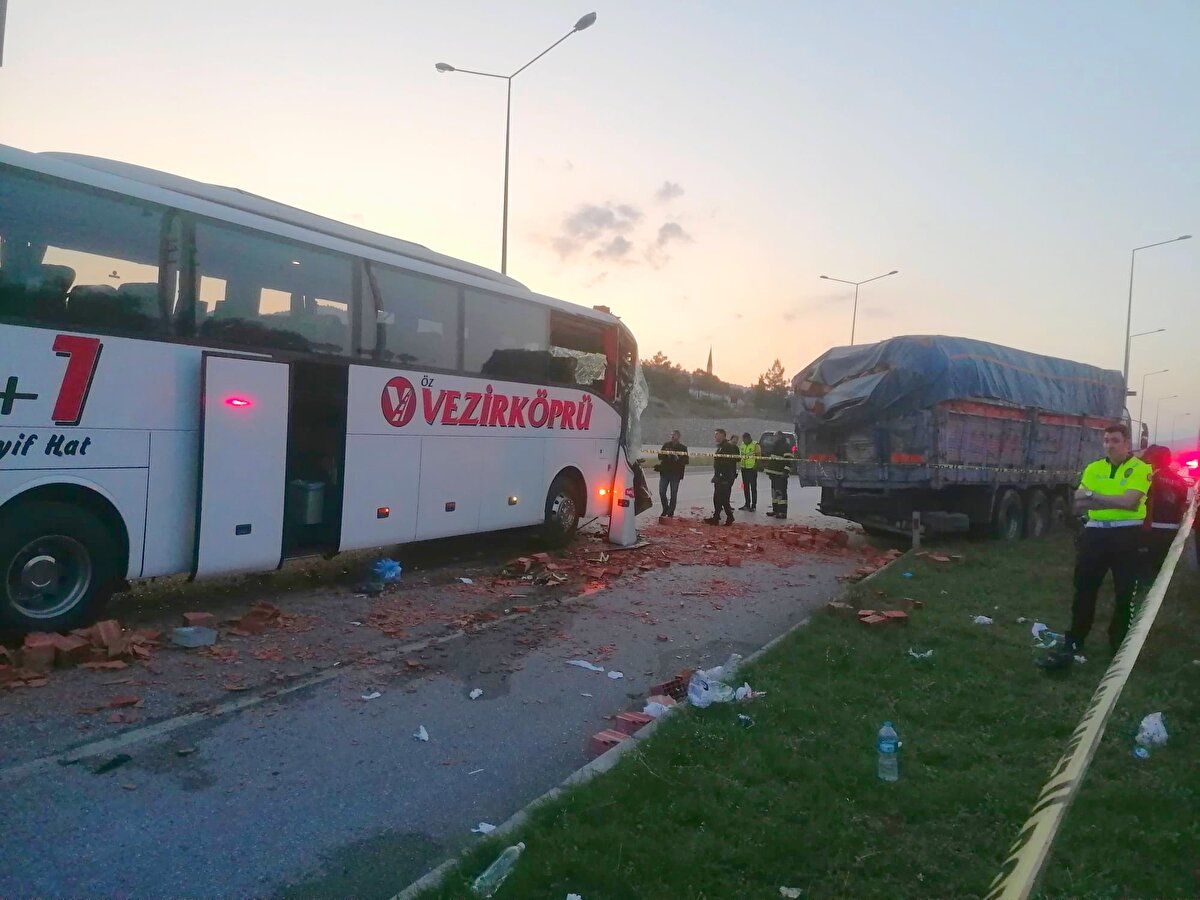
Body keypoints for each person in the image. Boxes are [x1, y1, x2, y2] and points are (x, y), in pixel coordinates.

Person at [1040, 423, 1152, 669]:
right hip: (1095, 534)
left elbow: (1130, 502)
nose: (1109, 445)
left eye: (1115, 440)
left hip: (1127, 536)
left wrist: (1094, 497)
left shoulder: (1140, 469)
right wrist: (1104, 500)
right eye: (1106, 441)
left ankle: (1119, 644)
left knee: (1125, 592)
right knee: (1084, 589)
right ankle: (1076, 639)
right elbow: (1078, 501)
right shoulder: (1093, 468)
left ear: (1126, 443)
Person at [1139, 445, 1191, 585]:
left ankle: (1144, 590)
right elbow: (1182, 506)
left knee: (1146, 562)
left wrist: (1145, 525)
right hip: (1172, 528)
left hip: (1152, 526)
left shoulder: (1150, 476)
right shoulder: (1181, 481)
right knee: (1163, 562)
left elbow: (1146, 501)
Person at [705, 428, 739, 525]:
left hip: (725, 477)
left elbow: (728, 464)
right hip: (720, 477)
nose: (715, 436)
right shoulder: (721, 447)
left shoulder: (727, 447)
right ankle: (716, 517)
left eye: (717, 434)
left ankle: (730, 517)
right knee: (717, 498)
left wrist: (722, 476)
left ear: (723, 435)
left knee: (723, 498)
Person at [656, 430, 689, 519]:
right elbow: (659, 456)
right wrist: (666, 454)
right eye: (672, 435)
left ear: (678, 436)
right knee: (662, 491)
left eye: (674, 435)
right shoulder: (666, 445)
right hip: (665, 472)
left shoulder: (683, 448)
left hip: (675, 474)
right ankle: (665, 508)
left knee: (673, 493)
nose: (672, 436)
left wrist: (677, 457)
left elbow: (686, 461)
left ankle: (671, 511)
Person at [763, 431, 792, 519]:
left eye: (775, 436)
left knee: (781, 494)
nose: (773, 438)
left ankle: (782, 512)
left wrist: (785, 471)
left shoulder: (786, 446)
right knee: (774, 493)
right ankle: (775, 510)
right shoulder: (775, 445)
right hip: (774, 473)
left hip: (781, 474)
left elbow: (789, 460)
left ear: (779, 436)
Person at [738, 432, 761, 511]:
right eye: (743, 439)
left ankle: (753, 505)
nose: (744, 441)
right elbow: (742, 455)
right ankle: (747, 504)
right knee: (746, 488)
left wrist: (756, 465)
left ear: (749, 438)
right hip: (744, 468)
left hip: (752, 469)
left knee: (753, 488)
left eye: (745, 439)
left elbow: (759, 456)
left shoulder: (755, 445)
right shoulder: (742, 444)